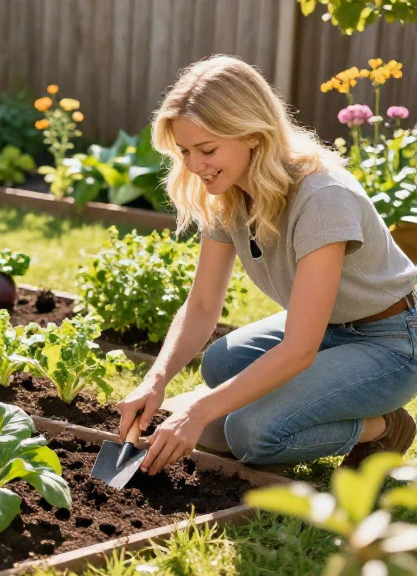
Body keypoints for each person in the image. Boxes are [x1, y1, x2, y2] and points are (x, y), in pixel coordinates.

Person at [116, 55, 417, 475]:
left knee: (252, 435)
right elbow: (203, 306)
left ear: (253, 135)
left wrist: (200, 409)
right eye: (184, 151)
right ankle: (285, 402)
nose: (194, 166)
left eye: (207, 149)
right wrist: (157, 379)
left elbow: (299, 349)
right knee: (219, 363)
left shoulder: (322, 197)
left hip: (389, 343)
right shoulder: (228, 192)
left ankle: (385, 428)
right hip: (327, 328)